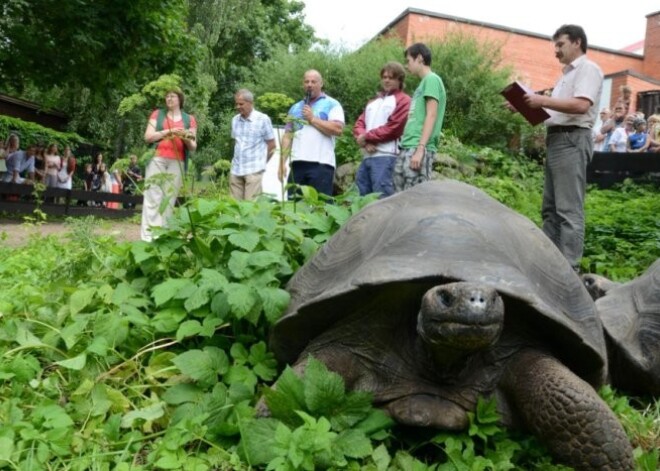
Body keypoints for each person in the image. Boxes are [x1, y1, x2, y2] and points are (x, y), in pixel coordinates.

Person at [523, 24, 603, 272]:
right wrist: (524, 106)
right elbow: (554, 112)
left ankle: (569, 270)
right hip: (558, 139)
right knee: (550, 208)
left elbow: (581, 106)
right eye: (555, 45)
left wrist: (542, 99)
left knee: (568, 210)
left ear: (577, 42)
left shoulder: (587, 69)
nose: (556, 50)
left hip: (572, 139)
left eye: (561, 44)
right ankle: (551, 264)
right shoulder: (566, 75)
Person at [141, 87, 197, 241]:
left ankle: (163, 236)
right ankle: (147, 238)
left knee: (169, 198)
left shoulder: (189, 119)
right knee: (153, 195)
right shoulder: (157, 114)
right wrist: (167, 132)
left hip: (177, 161)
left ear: (180, 99)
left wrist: (184, 135)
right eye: (167, 96)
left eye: (172, 96)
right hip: (157, 158)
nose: (169, 99)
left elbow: (193, 146)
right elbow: (148, 137)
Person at [279, 69, 345, 197]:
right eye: (306, 81)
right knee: (294, 207)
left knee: (320, 207)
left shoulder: (332, 104)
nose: (309, 84)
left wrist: (312, 119)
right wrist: (282, 162)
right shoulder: (295, 107)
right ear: (303, 84)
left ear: (321, 84)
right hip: (297, 164)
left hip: (321, 164)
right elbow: (287, 136)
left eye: (313, 81)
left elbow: (338, 129)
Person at [393, 43, 446, 192]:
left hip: (418, 147)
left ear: (420, 58)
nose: (406, 65)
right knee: (400, 197)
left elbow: (432, 114)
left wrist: (420, 149)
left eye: (409, 60)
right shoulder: (422, 84)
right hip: (408, 146)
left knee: (414, 199)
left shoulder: (432, 80)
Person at [353, 62, 411, 198]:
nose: (386, 80)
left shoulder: (404, 100)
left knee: (383, 201)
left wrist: (366, 137)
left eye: (391, 77)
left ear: (400, 80)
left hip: (387, 157)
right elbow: (359, 124)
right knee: (361, 200)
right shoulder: (373, 102)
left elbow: (394, 128)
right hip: (367, 156)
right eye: (384, 77)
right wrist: (365, 142)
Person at [230, 89, 276, 200]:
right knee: (233, 207)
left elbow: (272, 145)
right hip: (236, 169)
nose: (238, 106)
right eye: (236, 104)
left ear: (250, 103)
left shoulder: (263, 119)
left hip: (254, 170)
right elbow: (236, 142)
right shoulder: (235, 120)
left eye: (241, 104)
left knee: (250, 208)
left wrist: (262, 163)